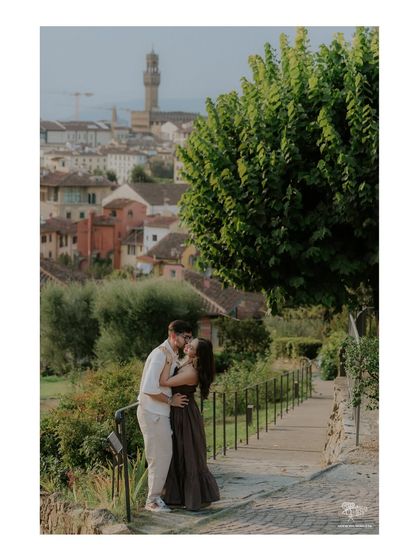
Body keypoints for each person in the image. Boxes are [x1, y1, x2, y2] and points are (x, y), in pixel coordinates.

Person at [137, 320, 193, 513]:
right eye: (185, 337)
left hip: (159, 413)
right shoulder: (160, 354)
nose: (188, 341)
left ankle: (157, 497)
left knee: (164, 455)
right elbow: (148, 389)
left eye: (190, 337)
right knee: (157, 457)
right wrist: (171, 402)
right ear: (173, 335)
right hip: (152, 413)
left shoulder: (171, 353)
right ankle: (151, 501)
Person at [160, 337, 220, 511]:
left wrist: (168, 360)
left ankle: (191, 497)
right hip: (180, 411)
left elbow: (163, 382)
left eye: (191, 346)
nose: (187, 345)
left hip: (184, 413)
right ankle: (178, 496)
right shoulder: (187, 363)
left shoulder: (192, 373)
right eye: (189, 342)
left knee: (187, 452)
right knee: (179, 451)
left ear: (197, 354)